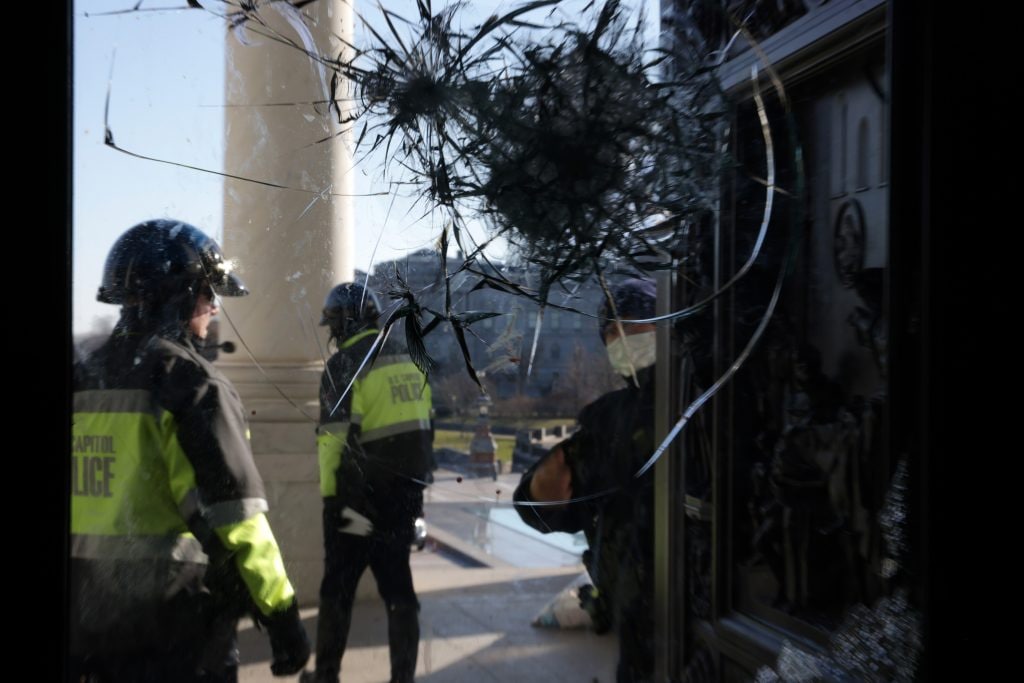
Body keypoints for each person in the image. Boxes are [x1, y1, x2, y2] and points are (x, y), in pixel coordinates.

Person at [70, 219, 310, 682]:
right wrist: (281, 614)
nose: (214, 308)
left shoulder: (82, 376)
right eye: (208, 294)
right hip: (172, 628)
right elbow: (237, 521)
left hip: (84, 623)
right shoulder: (190, 384)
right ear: (180, 296)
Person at [513, 277, 659, 682]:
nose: (622, 340)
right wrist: (539, 493)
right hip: (638, 618)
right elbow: (550, 500)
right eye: (612, 333)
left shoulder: (702, 397)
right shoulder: (609, 419)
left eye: (633, 327)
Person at [303, 283, 434, 683]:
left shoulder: (345, 365)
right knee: (399, 592)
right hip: (403, 502)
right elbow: (426, 433)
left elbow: (333, 443)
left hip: (356, 506)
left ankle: (326, 676)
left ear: (344, 323)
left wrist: (332, 502)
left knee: (337, 591)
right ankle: (403, 678)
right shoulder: (413, 359)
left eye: (334, 324)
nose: (332, 332)